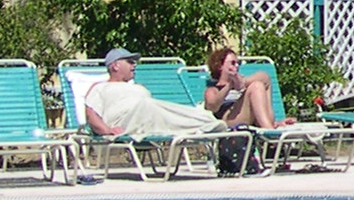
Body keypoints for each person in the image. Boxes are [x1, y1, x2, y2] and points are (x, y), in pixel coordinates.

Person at [82, 48, 224, 138]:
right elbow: (91, 115)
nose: (134, 65)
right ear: (115, 66)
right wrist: (107, 130)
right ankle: (204, 123)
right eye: (130, 62)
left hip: (148, 118)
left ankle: (204, 122)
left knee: (159, 108)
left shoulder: (138, 87)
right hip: (126, 121)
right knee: (148, 105)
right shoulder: (100, 87)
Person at [203, 46, 278, 130]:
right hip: (228, 121)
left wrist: (243, 82)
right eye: (233, 63)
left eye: (238, 63)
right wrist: (230, 86)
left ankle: (268, 125)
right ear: (220, 66)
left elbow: (265, 77)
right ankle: (269, 130)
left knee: (260, 82)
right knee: (256, 86)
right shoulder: (212, 89)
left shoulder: (243, 84)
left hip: (249, 118)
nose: (237, 66)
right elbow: (212, 106)